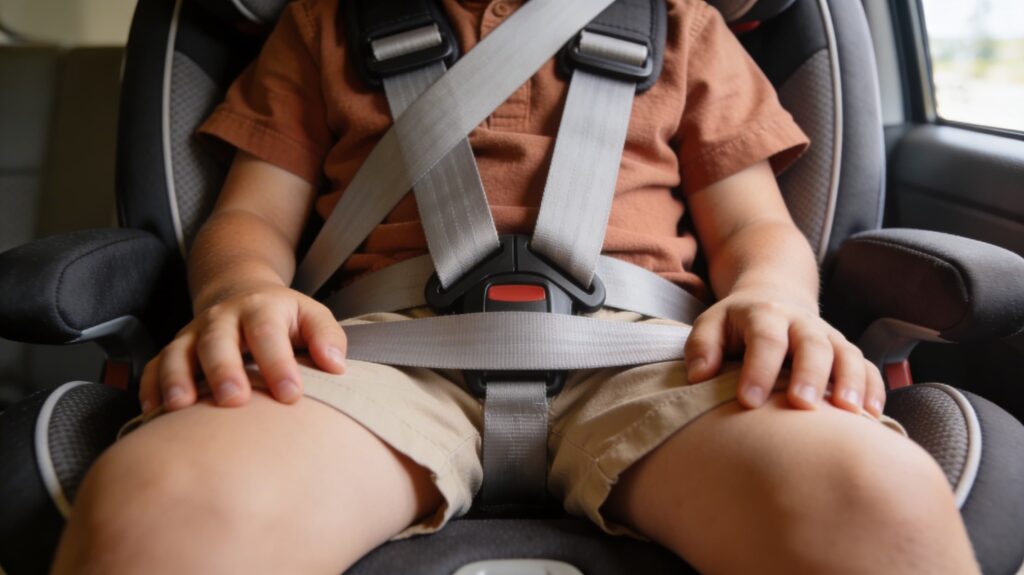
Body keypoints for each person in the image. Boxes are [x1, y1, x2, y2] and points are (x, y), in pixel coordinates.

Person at [52, 0, 980, 573]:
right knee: (162, 502)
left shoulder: (685, 27)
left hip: (658, 355)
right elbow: (250, 219)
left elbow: (754, 229)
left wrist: (774, 299)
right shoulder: (321, 25)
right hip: (368, 356)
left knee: (878, 498)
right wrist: (240, 293)